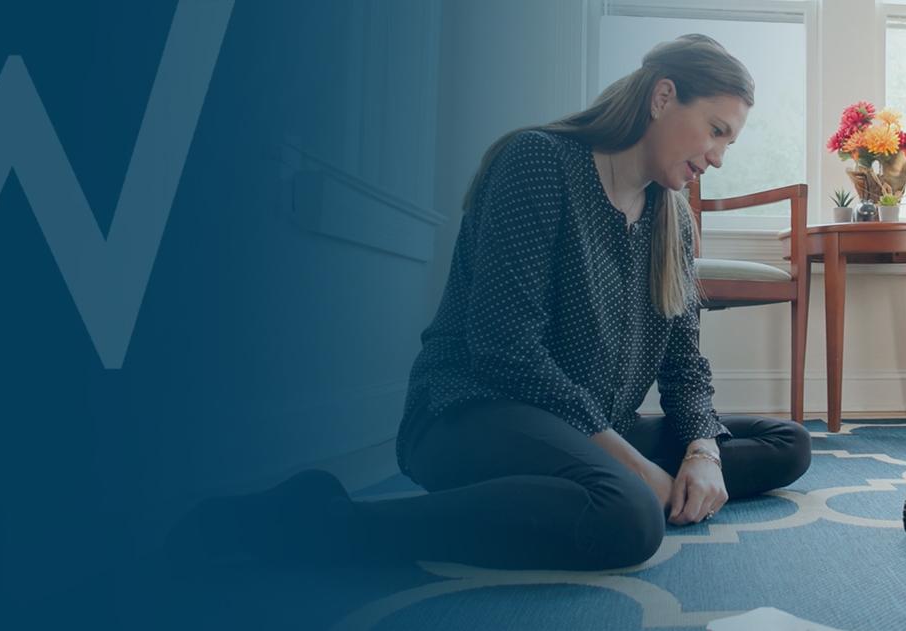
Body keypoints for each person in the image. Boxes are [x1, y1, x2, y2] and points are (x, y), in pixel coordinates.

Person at [177, 34, 811, 571]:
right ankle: (330, 523)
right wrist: (634, 469)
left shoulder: (672, 218)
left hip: (594, 428)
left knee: (787, 443)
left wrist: (701, 450)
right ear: (663, 97)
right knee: (629, 516)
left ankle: (588, 484)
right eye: (716, 131)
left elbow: (684, 364)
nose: (720, 157)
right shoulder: (538, 163)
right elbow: (505, 352)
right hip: (471, 414)